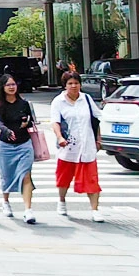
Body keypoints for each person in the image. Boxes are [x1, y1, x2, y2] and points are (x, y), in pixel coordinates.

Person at [50, 70, 104, 222]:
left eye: (76, 83)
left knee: (92, 179)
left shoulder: (86, 99)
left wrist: (98, 139)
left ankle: (95, 209)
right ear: (65, 85)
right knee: (64, 178)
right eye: (70, 83)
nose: (74, 86)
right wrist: (59, 137)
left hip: (87, 145)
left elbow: (96, 119)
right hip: (68, 147)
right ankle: (61, 201)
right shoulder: (58, 102)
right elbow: (55, 122)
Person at [0, 73, 36, 223]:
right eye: (8, 85)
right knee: (7, 175)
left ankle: (28, 210)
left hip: (24, 143)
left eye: (13, 84)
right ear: (2, 88)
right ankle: (5, 202)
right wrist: (6, 131)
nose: (12, 87)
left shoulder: (24, 104)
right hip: (6, 145)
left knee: (25, 174)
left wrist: (27, 123)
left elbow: (32, 122)